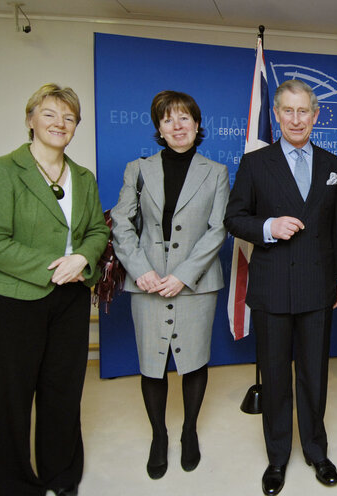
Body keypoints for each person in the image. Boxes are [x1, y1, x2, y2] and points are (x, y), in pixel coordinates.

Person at [0, 84, 109, 496]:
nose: (59, 124)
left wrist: (82, 258)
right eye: (49, 114)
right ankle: (17, 486)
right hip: (11, 302)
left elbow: (99, 231)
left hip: (71, 299)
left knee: (63, 393)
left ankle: (62, 476)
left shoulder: (83, 177)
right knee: (12, 402)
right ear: (30, 119)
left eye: (68, 118)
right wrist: (53, 269)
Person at [224, 79, 337, 495]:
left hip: (317, 287)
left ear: (315, 116)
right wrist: (268, 227)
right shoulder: (256, 164)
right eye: (288, 111)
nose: (296, 119)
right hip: (272, 288)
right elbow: (233, 218)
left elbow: (336, 229)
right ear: (276, 115)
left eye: (304, 111)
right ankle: (277, 458)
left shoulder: (333, 164)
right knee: (276, 378)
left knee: (314, 375)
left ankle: (316, 450)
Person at [110, 90, 229, 480]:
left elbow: (218, 229)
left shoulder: (216, 172)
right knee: (152, 363)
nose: (177, 126)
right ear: (158, 128)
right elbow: (122, 223)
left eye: (185, 118)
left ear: (197, 124)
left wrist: (183, 275)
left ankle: (189, 430)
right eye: (168, 120)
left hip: (195, 283)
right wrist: (140, 268)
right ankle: (158, 435)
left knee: (193, 360)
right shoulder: (138, 169)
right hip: (146, 280)